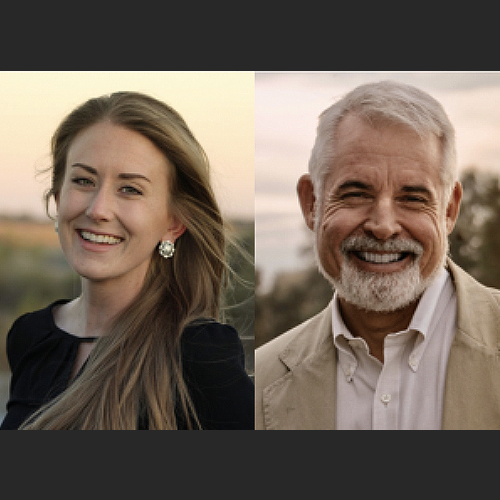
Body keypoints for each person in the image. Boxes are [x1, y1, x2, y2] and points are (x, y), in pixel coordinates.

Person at [1, 91, 254, 430]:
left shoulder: (199, 356)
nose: (98, 209)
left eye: (130, 189)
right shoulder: (30, 336)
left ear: (174, 222)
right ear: (58, 196)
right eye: (83, 181)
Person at [255, 80, 500, 430]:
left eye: (413, 198)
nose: (383, 226)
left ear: (449, 210)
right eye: (356, 193)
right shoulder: (258, 383)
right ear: (312, 204)